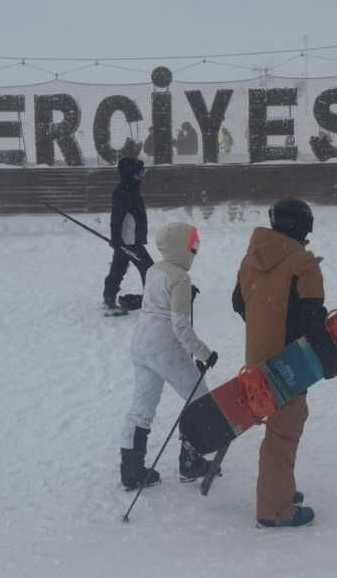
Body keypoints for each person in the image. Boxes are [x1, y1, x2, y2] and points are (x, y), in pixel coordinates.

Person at [232, 198, 337, 527]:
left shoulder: (250, 260)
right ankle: (274, 509)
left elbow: (238, 302)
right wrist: (330, 359)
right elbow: (313, 319)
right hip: (290, 362)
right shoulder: (303, 264)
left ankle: (279, 488)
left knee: (282, 426)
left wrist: (266, 323)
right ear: (300, 228)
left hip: (256, 358)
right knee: (284, 431)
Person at [118, 221, 219, 490]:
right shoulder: (180, 278)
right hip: (165, 347)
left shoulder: (154, 269)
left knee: (142, 407)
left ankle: (131, 469)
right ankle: (191, 462)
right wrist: (204, 353)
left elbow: (155, 301)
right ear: (179, 247)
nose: (195, 250)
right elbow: (180, 326)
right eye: (192, 245)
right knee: (200, 401)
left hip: (141, 343)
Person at [104, 157, 154, 315]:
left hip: (129, 241)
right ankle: (152, 303)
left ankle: (109, 299)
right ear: (129, 174)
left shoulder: (131, 189)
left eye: (143, 172)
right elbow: (116, 218)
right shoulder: (123, 193)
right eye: (139, 172)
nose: (142, 176)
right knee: (149, 269)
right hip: (128, 242)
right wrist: (117, 239)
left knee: (118, 269)